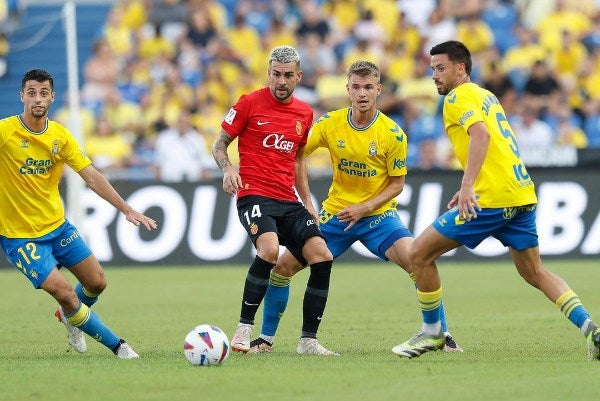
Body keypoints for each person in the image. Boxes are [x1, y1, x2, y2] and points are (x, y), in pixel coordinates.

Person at [392, 41, 600, 360]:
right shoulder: (485, 95)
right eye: (432, 68)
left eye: (440, 68)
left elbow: (481, 135)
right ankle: (591, 330)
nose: (433, 75)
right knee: (535, 272)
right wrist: (469, 185)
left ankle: (433, 334)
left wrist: (468, 185)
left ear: (460, 69)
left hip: (491, 199)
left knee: (418, 254)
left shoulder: (459, 96)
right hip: (520, 192)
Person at [247, 60, 461, 355]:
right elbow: (296, 154)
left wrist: (365, 207)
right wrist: (302, 199)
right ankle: (265, 339)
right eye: (357, 87)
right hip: (336, 214)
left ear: (378, 90)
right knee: (282, 268)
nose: (362, 93)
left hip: (378, 217)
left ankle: (443, 334)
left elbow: (397, 184)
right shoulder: (329, 123)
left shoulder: (393, 133)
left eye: (368, 87)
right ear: (348, 89)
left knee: (418, 260)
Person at [0, 69, 158, 359]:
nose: (38, 98)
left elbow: (92, 176)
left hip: (57, 227)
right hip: (20, 237)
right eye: (32, 92)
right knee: (66, 292)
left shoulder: (60, 135)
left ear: (52, 97)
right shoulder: (5, 132)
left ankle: (70, 317)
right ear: (22, 95)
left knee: (97, 282)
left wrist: (126, 208)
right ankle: (119, 346)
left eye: (44, 92)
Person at [211, 46, 336, 355]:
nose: (281, 81)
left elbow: (297, 160)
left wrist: (307, 201)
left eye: (288, 76)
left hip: (287, 198)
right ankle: (243, 330)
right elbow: (219, 145)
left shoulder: (304, 113)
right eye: (276, 74)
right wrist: (228, 170)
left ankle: (308, 341)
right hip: (254, 193)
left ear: (299, 77)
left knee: (322, 255)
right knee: (269, 250)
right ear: (269, 73)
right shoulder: (248, 103)